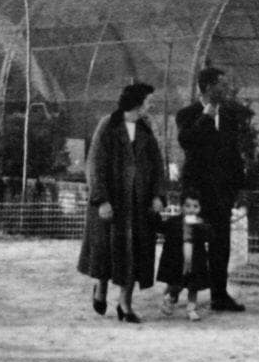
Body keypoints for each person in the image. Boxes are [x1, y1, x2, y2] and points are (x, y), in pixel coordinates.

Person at [77, 82, 165, 323]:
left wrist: (158, 195)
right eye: (149, 100)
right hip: (112, 204)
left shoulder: (146, 128)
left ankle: (125, 305)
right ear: (137, 102)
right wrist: (101, 200)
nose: (152, 104)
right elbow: (94, 165)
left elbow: (158, 165)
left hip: (139, 206)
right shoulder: (108, 125)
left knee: (135, 256)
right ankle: (101, 286)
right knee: (106, 253)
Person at [175, 67, 247, 312]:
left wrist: (239, 188)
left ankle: (219, 295)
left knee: (221, 245)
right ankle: (175, 291)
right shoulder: (187, 114)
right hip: (196, 192)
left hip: (221, 193)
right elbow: (187, 141)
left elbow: (235, 155)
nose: (226, 89)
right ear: (207, 87)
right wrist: (206, 115)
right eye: (221, 84)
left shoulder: (231, 116)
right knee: (189, 243)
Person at [156, 193, 211, 321]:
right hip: (178, 260)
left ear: (200, 208)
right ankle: (169, 299)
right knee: (176, 284)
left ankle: (191, 309)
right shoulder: (174, 221)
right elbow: (161, 228)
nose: (191, 209)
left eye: (195, 206)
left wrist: (201, 227)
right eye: (188, 206)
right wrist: (155, 215)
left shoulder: (201, 224)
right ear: (181, 207)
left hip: (195, 260)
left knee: (194, 285)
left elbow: (210, 235)